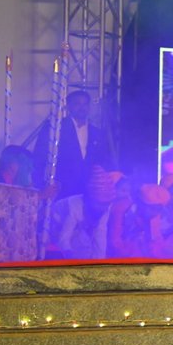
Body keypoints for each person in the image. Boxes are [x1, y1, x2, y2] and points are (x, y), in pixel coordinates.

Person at [32, 88, 116, 258]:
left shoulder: (97, 132)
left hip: (87, 190)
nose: (82, 107)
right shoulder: (55, 128)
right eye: (77, 103)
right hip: (62, 187)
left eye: (85, 104)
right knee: (61, 228)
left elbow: (102, 161)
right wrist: (42, 184)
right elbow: (40, 156)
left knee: (87, 229)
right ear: (68, 106)